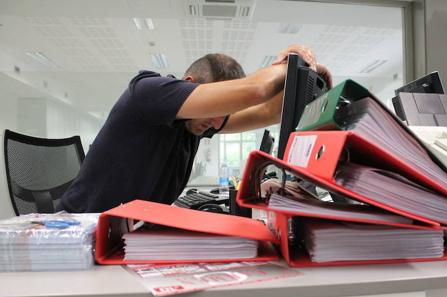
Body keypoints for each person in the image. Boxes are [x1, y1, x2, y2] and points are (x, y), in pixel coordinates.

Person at [58, 45, 332, 213]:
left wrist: (312, 82)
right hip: (80, 228)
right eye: (214, 111)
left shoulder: (195, 124)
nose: (217, 123)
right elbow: (257, 91)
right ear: (189, 84)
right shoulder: (148, 91)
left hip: (126, 234)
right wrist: (290, 61)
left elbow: (269, 112)